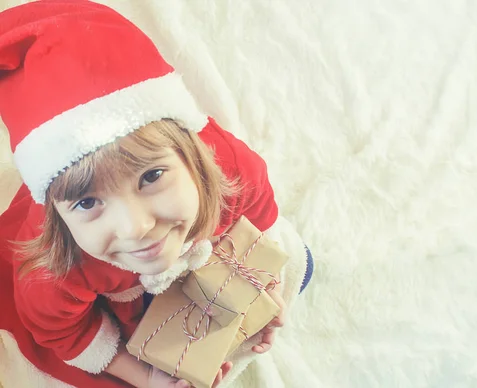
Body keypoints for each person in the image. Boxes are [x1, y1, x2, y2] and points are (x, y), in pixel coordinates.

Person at [0, 1, 313, 387]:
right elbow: (66, 333)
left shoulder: (231, 167)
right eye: (86, 202)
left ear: (194, 156)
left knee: (302, 266)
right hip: (120, 297)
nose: (136, 228)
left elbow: (259, 215)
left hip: (205, 247)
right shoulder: (50, 270)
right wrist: (147, 376)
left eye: (151, 177)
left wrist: (263, 288)